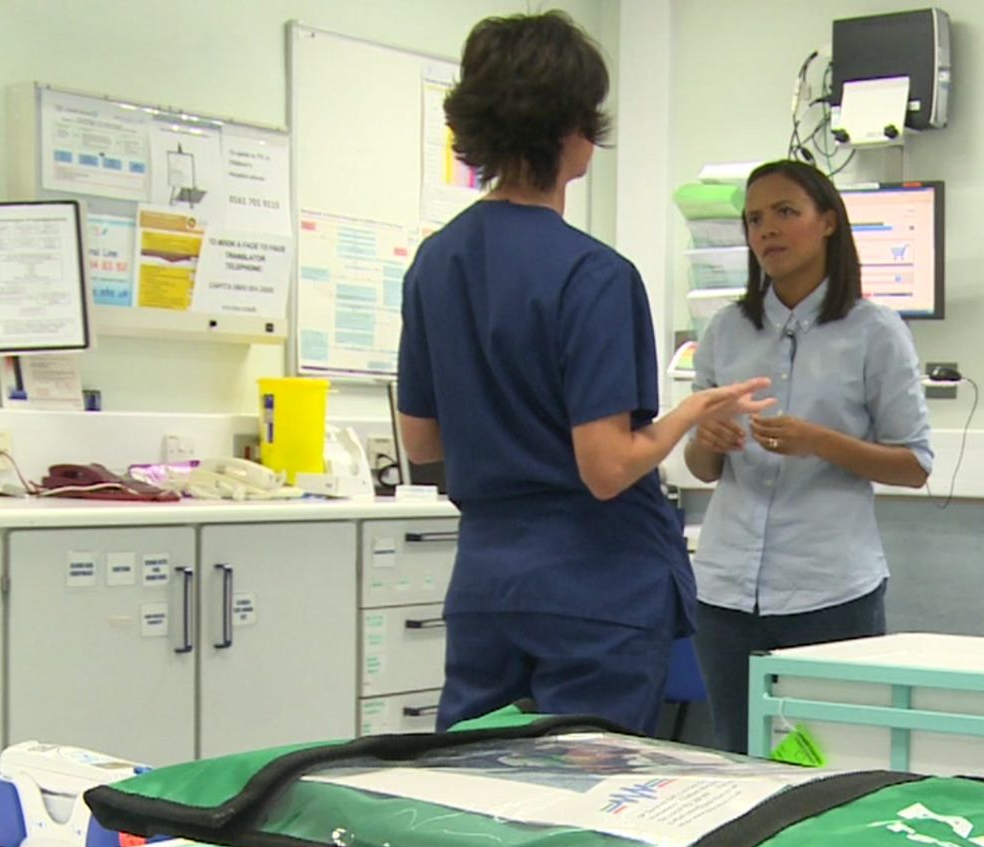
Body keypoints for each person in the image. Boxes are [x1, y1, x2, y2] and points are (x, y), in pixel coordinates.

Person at [396, 11, 771, 735]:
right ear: (575, 129)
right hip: (592, 582)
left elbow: (422, 444)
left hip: (486, 579)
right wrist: (690, 416)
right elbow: (606, 468)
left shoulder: (435, 262)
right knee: (586, 800)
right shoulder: (594, 275)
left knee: (472, 788)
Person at [682, 160, 933, 753]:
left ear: (826, 223)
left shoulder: (875, 330)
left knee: (833, 759)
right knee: (739, 757)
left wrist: (818, 441)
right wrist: (706, 440)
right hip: (727, 590)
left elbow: (915, 464)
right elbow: (701, 468)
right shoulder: (724, 331)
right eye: (753, 219)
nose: (766, 229)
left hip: (829, 593)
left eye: (785, 212)